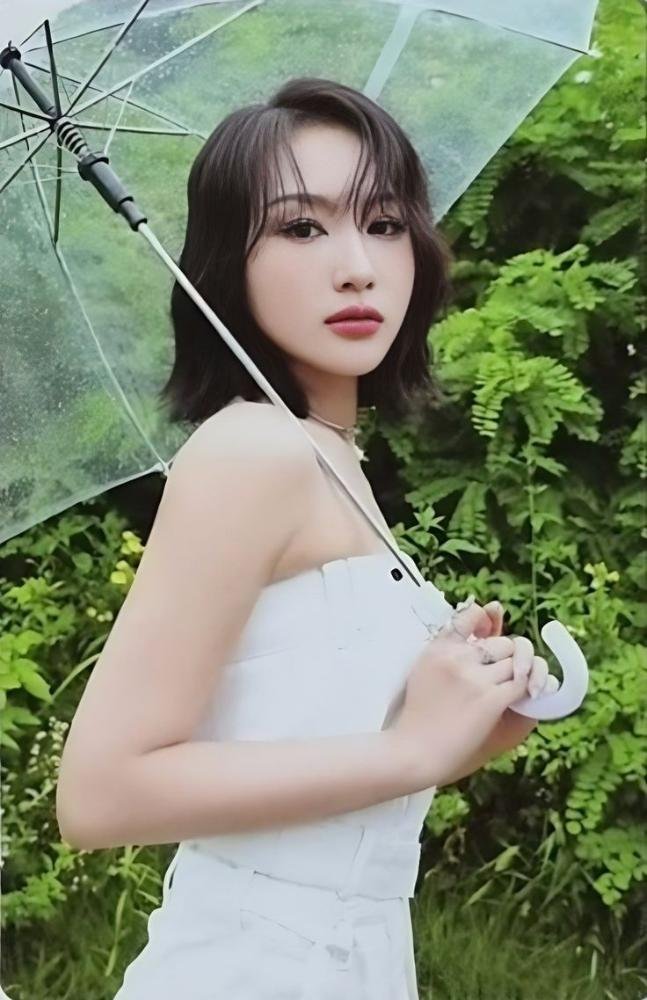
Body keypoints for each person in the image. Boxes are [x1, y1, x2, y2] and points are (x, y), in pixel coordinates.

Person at [56, 77, 555, 999]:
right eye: (300, 227)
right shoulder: (253, 453)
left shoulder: (328, 454)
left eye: (384, 222)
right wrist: (409, 753)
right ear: (226, 261)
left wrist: (452, 726)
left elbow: (302, 745)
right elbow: (100, 794)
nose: (358, 267)